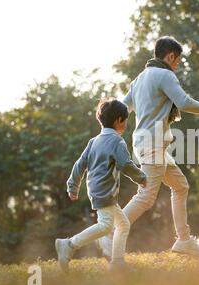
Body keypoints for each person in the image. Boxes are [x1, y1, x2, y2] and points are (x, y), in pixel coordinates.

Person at [97, 36, 199, 257]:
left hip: (147, 144)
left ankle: (183, 240)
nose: (177, 66)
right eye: (178, 62)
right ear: (170, 56)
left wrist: (106, 126)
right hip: (152, 144)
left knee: (180, 186)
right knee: (145, 197)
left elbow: (123, 108)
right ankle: (108, 235)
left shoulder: (139, 79)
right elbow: (184, 102)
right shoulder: (165, 75)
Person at [55, 99, 147, 272]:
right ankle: (69, 244)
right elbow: (125, 164)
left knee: (123, 224)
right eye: (126, 120)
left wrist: (72, 186)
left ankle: (117, 262)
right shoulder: (117, 141)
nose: (127, 123)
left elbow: (79, 164)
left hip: (97, 189)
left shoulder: (94, 141)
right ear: (119, 120)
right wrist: (141, 177)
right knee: (105, 225)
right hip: (105, 190)